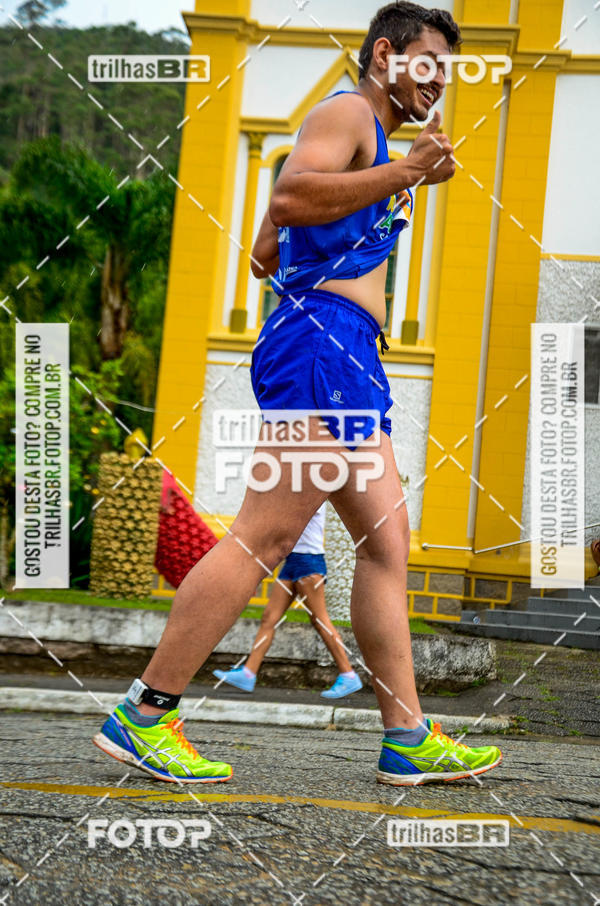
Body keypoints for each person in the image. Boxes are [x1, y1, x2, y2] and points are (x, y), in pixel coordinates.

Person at [93, 2, 502, 786]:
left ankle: (407, 736)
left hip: (350, 357)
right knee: (266, 536)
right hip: (320, 347)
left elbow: (264, 250)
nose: (439, 82)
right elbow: (285, 200)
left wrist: (379, 185)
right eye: (428, 64)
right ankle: (144, 714)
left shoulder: (373, 140)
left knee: (385, 545)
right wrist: (411, 171)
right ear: (386, 56)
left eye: (446, 70)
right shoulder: (348, 110)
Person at [213, 504, 363, 698]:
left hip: (309, 561)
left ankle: (348, 675)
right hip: (292, 561)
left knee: (320, 620)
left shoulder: (313, 490)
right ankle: (248, 673)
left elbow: (287, 520)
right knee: (269, 617)